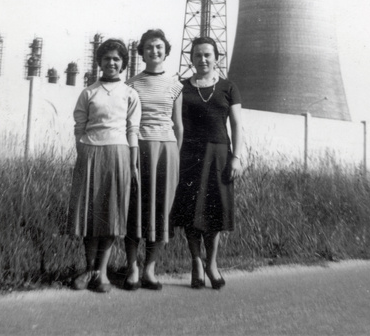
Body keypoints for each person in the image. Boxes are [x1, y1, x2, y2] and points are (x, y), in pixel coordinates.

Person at [67, 38, 141, 293]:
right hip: (90, 154)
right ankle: (89, 270)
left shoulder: (130, 94)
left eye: (117, 59)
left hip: (118, 154)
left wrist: (132, 163)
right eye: (107, 58)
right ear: (100, 61)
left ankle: (104, 273)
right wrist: (84, 153)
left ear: (123, 64)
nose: (112, 62)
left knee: (111, 215)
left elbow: (133, 130)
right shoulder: (88, 92)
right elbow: (79, 127)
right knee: (89, 216)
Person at [173, 36, 243, 290]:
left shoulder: (228, 87)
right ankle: (196, 262)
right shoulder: (180, 87)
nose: (202, 60)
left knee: (214, 214)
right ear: (191, 58)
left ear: (216, 57)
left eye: (207, 55)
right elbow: (173, 124)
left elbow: (236, 125)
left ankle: (212, 264)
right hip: (189, 154)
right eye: (197, 55)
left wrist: (236, 157)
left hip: (219, 155)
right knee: (191, 214)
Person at [124, 29, 183, 291]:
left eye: (159, 47)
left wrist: (175, 156)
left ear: (166, 51)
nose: (154, 51)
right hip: (140, 148)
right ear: (142, 52)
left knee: (161, 210)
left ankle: (150, 268)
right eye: (149, 47)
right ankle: (131, 267)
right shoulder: (132, 84)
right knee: (135, 207)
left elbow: (178, 125)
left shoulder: (175, 85)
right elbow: (128, 123)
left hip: (167, 151)